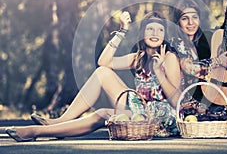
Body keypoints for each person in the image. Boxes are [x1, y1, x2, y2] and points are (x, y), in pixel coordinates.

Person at [5, 11, 183, 142]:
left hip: (159, 118)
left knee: (102, 114)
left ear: (165, 35)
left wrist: (159, 73)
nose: (154, 33)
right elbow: (103, 62)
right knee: (102, 73)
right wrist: (122, 31)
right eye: (150, 29)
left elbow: (176, 101)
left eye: (160, 30)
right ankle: (60, 122)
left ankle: (35, 132)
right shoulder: (138, 57)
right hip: (138, 110)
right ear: (142, 34)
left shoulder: (170, 57)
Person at [170, 0, 227, 135]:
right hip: (191, 104)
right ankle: (209, 124)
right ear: (178, 22)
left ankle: (215, 123)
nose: (190, 23)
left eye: (194, 17)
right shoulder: (176, 43)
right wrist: (217, 61)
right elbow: (189, 68)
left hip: (215, 100)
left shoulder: (208, 37)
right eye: (184, 18)